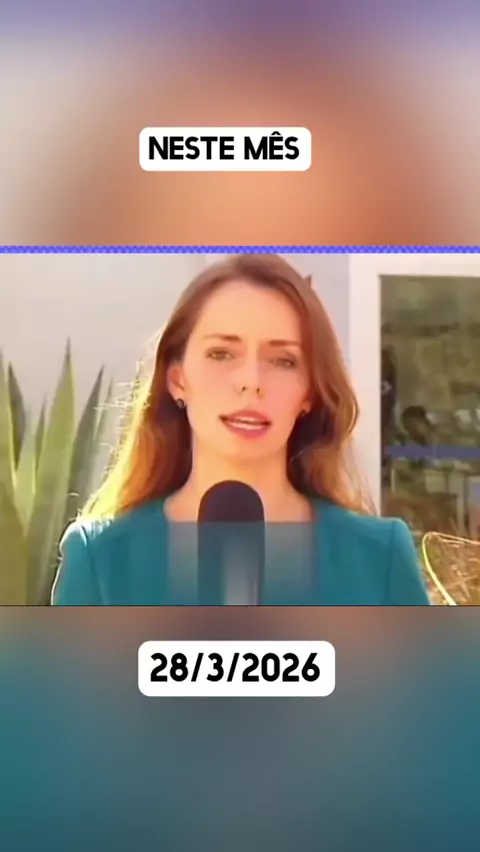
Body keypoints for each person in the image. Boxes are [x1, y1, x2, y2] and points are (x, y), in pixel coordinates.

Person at [52, 254, 430, 605]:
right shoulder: (100, 559)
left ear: (309, 393)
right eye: (221, 354)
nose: (251, 381)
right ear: (178, 379)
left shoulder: (379, 559)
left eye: (283, 360)